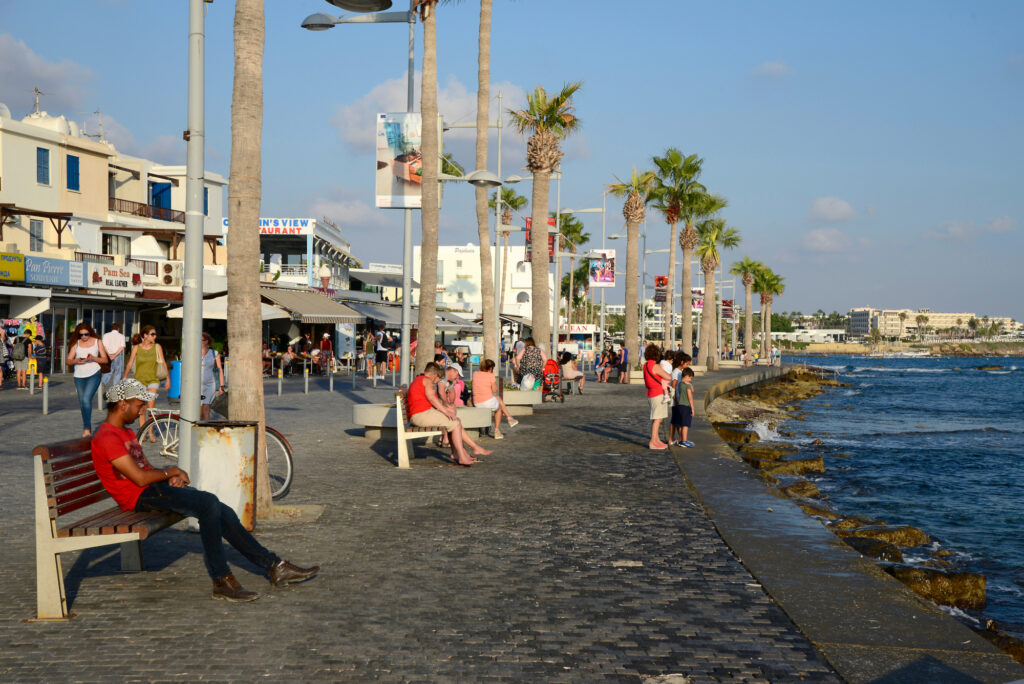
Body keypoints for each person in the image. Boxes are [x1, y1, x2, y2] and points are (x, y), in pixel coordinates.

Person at [91, 378, 319, 602]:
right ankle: (221, 580)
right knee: (208, 504)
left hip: (152, 491)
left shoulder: (126, 433)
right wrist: (170, 472)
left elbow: (145, 470)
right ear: (123, 405)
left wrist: (168, 478)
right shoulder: (108, 437)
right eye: (139, 406)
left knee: (222, 510)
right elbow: (140, 479)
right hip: (139, 498)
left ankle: (274, 566)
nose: (141, 412)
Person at [407, 362, 491, 466]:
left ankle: (460, 452)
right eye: (437, 379)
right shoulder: (428, 381)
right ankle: (462, 457)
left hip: (419, 414)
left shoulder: (419, 379)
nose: (436, 382)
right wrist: (445, 411)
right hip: (421, 415)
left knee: (456, 421)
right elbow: (432, 398)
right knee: (454, 424)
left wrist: (446, 410)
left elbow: (429, 400)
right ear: (434, 375)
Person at [66, 322, 110, 437]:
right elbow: (68, 360)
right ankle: (87, 426)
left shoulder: (97, 341)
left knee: (86, 399)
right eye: (81, 335)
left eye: (86, 334)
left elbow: (105, 360)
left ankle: (86, 429)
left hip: (94, 373)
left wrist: (94, 358)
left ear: (90, 332)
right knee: (82, 403)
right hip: (79, 376)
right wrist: (76, 361)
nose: (84, 337)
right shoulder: (76, 344)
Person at [124, 325, 170, 434]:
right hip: (139, 381)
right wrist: (125, 377)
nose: (155, 336)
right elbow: (130, 363)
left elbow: (163, 362)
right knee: (141, 409)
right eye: (152, 334)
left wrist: (168, 379)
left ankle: (150, 431)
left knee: (151, 407)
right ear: (145, 335)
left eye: (155, 334)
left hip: (153, 380)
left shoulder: (157, 347)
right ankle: (142, 432)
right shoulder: (136, 348)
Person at [472, 359, 518, 439]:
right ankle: (498, 429)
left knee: (497, 398)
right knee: (499, 408)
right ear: (490, 368)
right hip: (486, 402)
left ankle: (510, 418)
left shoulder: (475, 374)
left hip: (476, 402)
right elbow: (495, 390)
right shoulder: (490, 375)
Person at [642, 344, 672, 450]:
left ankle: (657, 439)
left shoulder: (646, 365)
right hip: (658, 394)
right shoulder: (655, 366)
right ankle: (653, 442)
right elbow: (668, 376)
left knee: (656, 418)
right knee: (658, 419)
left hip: (650, 393)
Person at [200, 332, 225, 420]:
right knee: (199, 410)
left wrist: (221, 386)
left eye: (201, 340)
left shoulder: (214, 353)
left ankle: (205, 429)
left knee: (206, 408)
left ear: (206, 341)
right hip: (197, 385)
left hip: (210, 384)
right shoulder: (193, 352)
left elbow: (220, 369)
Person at [669, 352, 692, 445]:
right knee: (674, 420)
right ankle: (671, 439)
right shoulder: (676, 372)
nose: (687, 366)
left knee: (677, 420)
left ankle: (682, 439)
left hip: (679, 400)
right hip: (676, 400)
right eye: (687, 364)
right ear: (682, 362)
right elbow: (673, 387)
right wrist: (676, 400)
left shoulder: (680, 372)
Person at [674, 367, 696, 448]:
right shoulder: (687, 387)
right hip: (686, 407)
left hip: (680, 406)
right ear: (686, 376)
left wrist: (690, 384)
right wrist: (693, 408)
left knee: (680, 424)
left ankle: (681, 439)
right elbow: (690, 397)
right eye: (690, 378)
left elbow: (692, 389)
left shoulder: (680, 384)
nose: (690, 380)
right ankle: (684, 441)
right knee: (685, 425)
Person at [101, 322, 126, 386]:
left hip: (108, 355)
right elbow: (122, 347)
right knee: (117, 372)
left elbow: (104, 346)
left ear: (112, 328)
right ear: (118, 329)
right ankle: (116, 386)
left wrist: (109, 355)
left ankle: (103, 383)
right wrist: (114, 355)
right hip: (117, 355)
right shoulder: (121, 336)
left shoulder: (106, 335)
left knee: (108, 371)